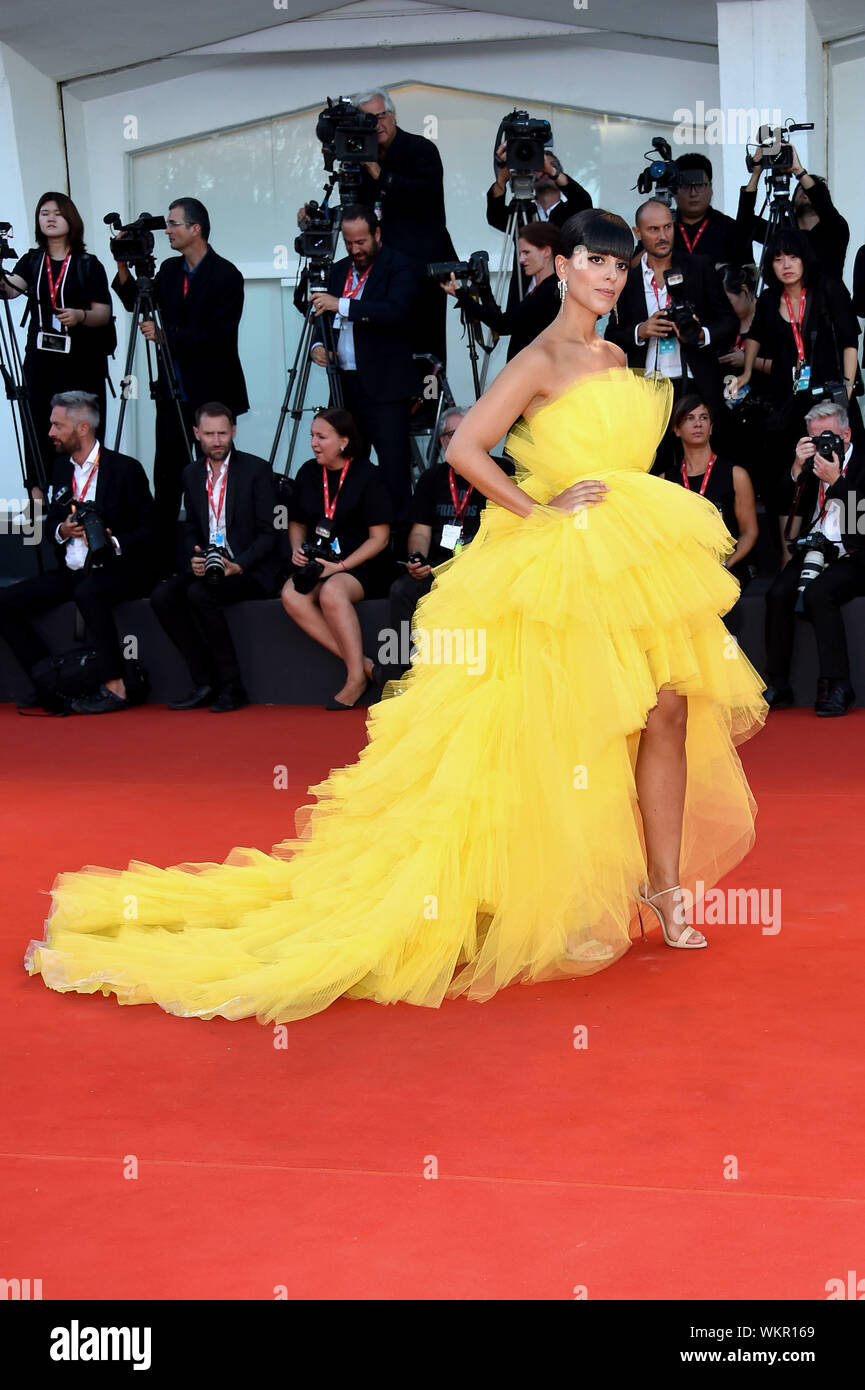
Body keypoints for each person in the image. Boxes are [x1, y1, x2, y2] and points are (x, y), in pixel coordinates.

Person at [25, 209, 767, 1024]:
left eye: (619, 267)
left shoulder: (620, 355)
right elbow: (464, 449)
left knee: (664, 710)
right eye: (594, 261)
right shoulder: (538, 358)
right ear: (561, 266)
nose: (608, 277)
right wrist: (540, 508)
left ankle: (661, 890)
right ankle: (538, 894)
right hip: (557, 566)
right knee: (568, 728)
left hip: (631, 557)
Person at [112, 197, 248, 574]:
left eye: (173, 224)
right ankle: (165, 561)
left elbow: (221, 334)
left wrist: (166, 336)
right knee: (168, 475)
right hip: (172, 391)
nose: (167, 231)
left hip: (212, 390)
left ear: (195, 229)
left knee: (216, 473)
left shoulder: (226, 274)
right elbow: (135, 302)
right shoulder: (170, 270)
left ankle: (223, 550)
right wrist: (123, 263)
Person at [0, 391, 155, 714]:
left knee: (89, 593)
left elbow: (150, 529)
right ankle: (50, 680)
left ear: (82, 428)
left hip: (117, 568)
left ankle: (117, 686)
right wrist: (62, 530)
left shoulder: (126, 469)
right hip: (72, 570)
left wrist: (113, 542)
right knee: (5, 603)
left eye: (57, 425)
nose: (51, 433)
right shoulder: (59, 469)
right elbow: (52, 523)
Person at [731, 228, 861, 559]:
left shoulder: (828, 288)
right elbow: (754, 337)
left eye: (792, 256)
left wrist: (846, 387)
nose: (786, 264)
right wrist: (745, 371)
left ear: (805, 259)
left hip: (831, 397)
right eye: (777, 258)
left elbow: (849, 339)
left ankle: (854, 548)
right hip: (789, 399)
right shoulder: (770, 299)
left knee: (846, 467)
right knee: (789, 470)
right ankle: (790, 556)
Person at [371, 406, 515, 687]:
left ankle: (482, 680)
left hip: (486, 565)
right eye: (454, 433)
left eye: (469, 431)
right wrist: (416, 557)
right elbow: (421, 531)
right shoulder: (432, 478)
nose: (463, 437)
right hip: (438, 566)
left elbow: (513, 526)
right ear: (442, 441)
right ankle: (399, 678)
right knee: (401, 590)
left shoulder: (503, 470)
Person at [149, 403, 279, 714]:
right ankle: (205, 680)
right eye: (209, 434)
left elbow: (270, 534)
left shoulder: (256, 470)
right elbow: (191, 526)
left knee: (200, 594)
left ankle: (232, 685)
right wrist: (194, 557)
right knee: (163, 596)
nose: (217, 440)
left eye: (223, 433)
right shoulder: (191, 473)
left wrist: (239, 564)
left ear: (234, 432)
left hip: (250, 568)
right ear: (196, 434)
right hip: (209, 564)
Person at [604, 198, 737, 468]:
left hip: (696, 383)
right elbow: (611, 335)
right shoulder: (625, 279)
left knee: (704, 464)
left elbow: (729, 322)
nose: (663, 236)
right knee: (657, 466)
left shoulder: (698, 267)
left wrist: (701, 335)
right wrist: (642, 330)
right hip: (649, 388)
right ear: (637, 233)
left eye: (667, 227)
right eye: (653, 229)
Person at [308, 204, 420, 524]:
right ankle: (349, 535)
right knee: (344, 463)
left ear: (377, 234)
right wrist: (319, 345)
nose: (355, 249)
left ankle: (398, 546)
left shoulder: (400, 266)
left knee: (393, 469)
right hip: (345, 384)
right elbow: (321, 315)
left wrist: (342, 304)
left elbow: (394, 312)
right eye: (349, 243)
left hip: (385, 388)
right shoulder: (338, 269)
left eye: (361, 242)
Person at [0, 193, 114, 494]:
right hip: (40, 359)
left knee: (78, 426)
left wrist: (79, 316)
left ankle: (83, 495)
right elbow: (11, 290)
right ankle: (38, 498)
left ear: (71, 219)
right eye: (43, 213)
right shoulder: (32, 260)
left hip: (80, 361)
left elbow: (103, 313)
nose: (49, 218)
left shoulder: (88, 264)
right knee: (38, 423)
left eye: (57, 213)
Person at [281, 408, 392, 710]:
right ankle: (368, 666)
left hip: (361, 563)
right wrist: (296, 549)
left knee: (332, 591)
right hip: (320, 560)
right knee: (291, 594)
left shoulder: (368, 476)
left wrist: (341, 566)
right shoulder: (307, 472)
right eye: (312, 436)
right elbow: (296, 522)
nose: (314, 443)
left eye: (321, 437)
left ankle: (355, 677)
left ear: (344, 441)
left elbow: (379, 539)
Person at [762, 401, 865, 716]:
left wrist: (837, 481)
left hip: (854, 552)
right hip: (814, 547)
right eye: (814, 438)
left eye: (828, 436)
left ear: (847, 435)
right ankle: (778, 684)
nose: (822, 445)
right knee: (778, 593)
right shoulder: (809, 464)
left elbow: (858, 529)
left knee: (820, 594)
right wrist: (796, 468)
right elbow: (778, 504)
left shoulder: (862, 464)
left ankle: (838, 685)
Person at [349, 86, 456, 367]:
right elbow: (358, 213)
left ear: (393, 115)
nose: (377, 124)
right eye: (368, 119)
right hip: (382, 272)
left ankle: (430, 406)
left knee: (426, 350)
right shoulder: (359, 159)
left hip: (423, 270)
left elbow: (424, 196)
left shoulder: (420, 149)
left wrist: (378, 172)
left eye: (380, 116)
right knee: (387, 348)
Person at [665, 394, 758, 632]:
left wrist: (727, 562)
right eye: (690, 418)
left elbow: (749, 532)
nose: (698, 424)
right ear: (676, 429)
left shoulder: (735, 474)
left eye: (703, 418)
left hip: (726, 567)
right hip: (684, 569)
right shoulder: (665, 483)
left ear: (711, 427)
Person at [486, 143, 591, 305]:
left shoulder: (573, 211)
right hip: (525, 301)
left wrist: (552, 171)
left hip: (565, 301)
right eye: (538, 167)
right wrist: (502, 179)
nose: (544, 171)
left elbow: (583, 200)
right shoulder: (522, 211)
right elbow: (495, 216)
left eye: (551, 166)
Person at [440, 222, 561, 361]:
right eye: (520, 253)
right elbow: (504, 321)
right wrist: (484, 290)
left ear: (546, 251)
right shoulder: (543, 287)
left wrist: (461, 295)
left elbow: (504, 325)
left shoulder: (550, 289)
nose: (521, 260)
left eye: (526, 253)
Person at [736, 145, 850, 282]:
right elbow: (745, 223)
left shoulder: (836, 228)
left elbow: (823, 203)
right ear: (793, 202)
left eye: (808, 187)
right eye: (800, 188)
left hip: (828, 301)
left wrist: (798, 171)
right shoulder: (783, 230)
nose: (805, 191)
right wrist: (756, 174)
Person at [672, 155, 753, 268]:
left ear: (711, 188)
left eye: (699, 185)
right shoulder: (663, 230)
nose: (693, 193)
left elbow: (749, 278)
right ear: (674, 190)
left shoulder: (731, 229)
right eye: (686, 185)